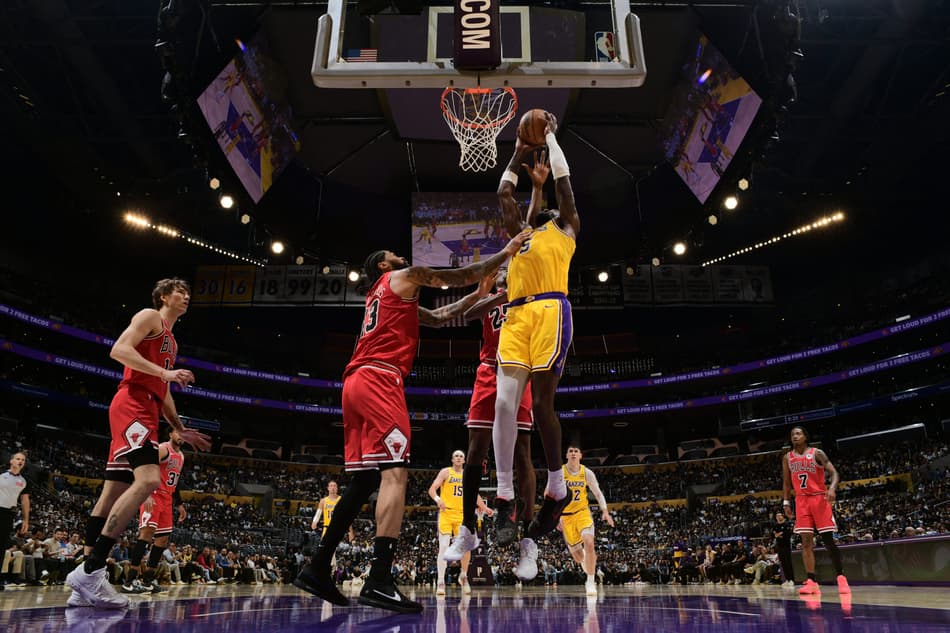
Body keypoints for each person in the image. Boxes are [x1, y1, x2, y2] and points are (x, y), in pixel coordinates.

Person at [294, 231, 529, 614]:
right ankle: (380, 579)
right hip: (380, 378)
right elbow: (455, 276)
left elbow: (439, 318)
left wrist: (488, 297)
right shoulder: (399, 278)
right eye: (393, 253)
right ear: (383, 266)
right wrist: (506, 252)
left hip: (354, 383)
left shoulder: (384, 298)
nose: (401, 255)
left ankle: (318, 567)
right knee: (395, 475)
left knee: (365, 479)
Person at [66, 278, 212, 609]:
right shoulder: (150, 316)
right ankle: (91, 570)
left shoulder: (171, 342)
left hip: (146, 408)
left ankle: (84, 588)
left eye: (189, 292)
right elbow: (118, 350)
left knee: (111, 494)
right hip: (132, 404)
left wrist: (179, 428)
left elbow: (164, 390)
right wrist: (165, 375)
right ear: (163, 296)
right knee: (148, 479)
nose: (186, 296)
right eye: (180, 291)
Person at [492, 113, 579, 578]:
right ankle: (505, 493)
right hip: (517, 315)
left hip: (550, 311)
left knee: (543, 406)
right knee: (505, 405)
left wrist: (549, 137)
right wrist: (520, 150)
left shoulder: (565, 229)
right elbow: (504, 192)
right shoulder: (521, 234)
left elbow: (564, 184)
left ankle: (556, 483)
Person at [442, 270, 537, 562]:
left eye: (511, 268)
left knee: (523, 452)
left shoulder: (532, 296)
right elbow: (469, 314)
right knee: (475, 449)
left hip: (520, 369)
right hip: (488, 368)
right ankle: (467, 529)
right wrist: (500, 294)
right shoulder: (491, 298)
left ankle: (528, 539)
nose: (506, 272)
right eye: (501, 271)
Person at [782, 426, 850, 595]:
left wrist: (832, 489)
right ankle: (811, 581)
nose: (795, 436)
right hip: (801, 501)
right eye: (792, 435)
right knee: (806, 543)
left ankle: (841, 578)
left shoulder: (817, 453)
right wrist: (785, 502)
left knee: (828, 540)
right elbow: (786, 483)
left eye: (798, 433)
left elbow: (834, 473)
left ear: (805, 436)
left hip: (819, 498)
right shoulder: (787, 458)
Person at [122, 428, 191, 594]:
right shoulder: (162, 448)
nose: (181, 437)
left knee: (162, 540)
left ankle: (147, 580)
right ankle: (129, 581)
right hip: (153, 494)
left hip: (167, 498)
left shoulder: (181, 456)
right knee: (146, 534)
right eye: (178, 433)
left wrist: (179, 504)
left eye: (184, 435)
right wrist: (145, 493)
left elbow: (175, 481)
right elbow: (144, 468)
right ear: (170, 434)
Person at [427, 450, 492, 595]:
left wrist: (484, 507)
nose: (458, 457)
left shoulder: (467, 475)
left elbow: (474, 494)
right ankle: (441, 582)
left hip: (462, 515)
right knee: (443, 547)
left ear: (464, 461)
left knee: (466, 549)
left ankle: (463, 576)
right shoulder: (445, 472)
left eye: (461, 456)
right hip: (446, 513)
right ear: (452, 459)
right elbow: (432, 489)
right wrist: (438, 500)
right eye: (456, 455)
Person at [556, 445, 614, 594]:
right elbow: (549, 494)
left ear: (580, 455)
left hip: (582, 512)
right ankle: (590, 566)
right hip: (566, 517)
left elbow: (598, 493)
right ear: (566, 455)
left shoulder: (586, 473)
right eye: (571, 451)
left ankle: (590, 580)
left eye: (576, 451)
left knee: (589, 542)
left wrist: (605, 511)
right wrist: (554, 517)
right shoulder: (560, 473)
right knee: (578, 557)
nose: (573, 453)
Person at [0, 452, 30, 591]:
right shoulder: (1, 474)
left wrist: (25, 520)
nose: (20, 461)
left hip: (8, 514)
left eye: (23, 460)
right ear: (11, 461)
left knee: (1, 547)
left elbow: (25, 501)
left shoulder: (24, 481)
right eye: (18, 459)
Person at [310, 480, 354, 567]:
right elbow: (318, 514)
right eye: (331, 486)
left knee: (331, 550)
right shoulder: (323, 501)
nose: (333, 488)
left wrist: (350, 531)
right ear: (328, 488)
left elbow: (346, 516)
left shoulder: (341, 500)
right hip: (327, 528)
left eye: (335, 486)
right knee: (324, 549)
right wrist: (314, 522)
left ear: (337, 488)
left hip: (337, 528)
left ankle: (331, 569)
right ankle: (329, 569)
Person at [772, 511, 795, 587]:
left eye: (779, 515)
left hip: (786, 546)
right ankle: (787, 580)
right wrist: (780, 534)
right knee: (783, 564)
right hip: (779, 547)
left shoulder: (787, 524)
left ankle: (792, 580)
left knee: (788, 563)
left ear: (783, 516)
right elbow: (774, 535)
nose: (778, 517)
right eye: (776, 516)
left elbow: (786, 535)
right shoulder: (775, 525)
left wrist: (779, 535)